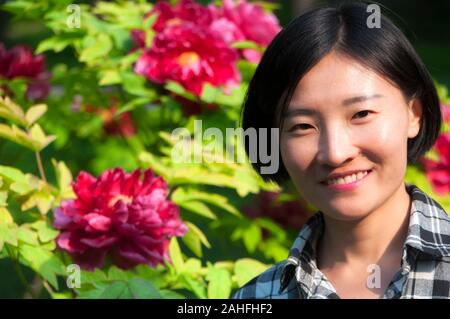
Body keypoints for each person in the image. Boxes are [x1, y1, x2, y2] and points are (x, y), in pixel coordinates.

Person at [233, 1, 450, 299]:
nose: (335, 153)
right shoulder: (256, 298)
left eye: (361, 114)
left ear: (414, 114)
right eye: (302, 126)